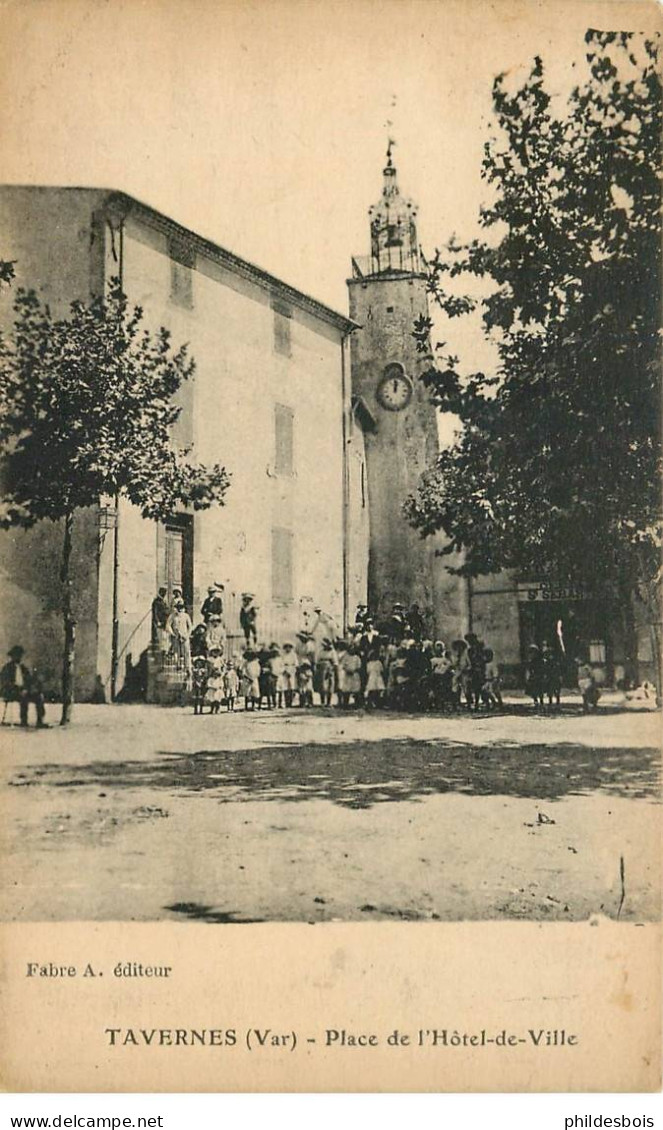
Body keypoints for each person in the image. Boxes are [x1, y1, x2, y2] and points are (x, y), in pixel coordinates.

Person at [1, 646, 47, 728]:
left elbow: (29, 681)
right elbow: (5, 682)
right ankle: (24, 721)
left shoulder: (23, 668)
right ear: (12, 656)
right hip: (11, 692)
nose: (18, 657)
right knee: (24, 697)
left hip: (24, 691)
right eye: (16, 655)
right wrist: (17, 689)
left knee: (38, 696)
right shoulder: (7, 668)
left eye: (20, 655)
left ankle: (40, 721)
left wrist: (30, 688)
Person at [166, 599, 193, 675]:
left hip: (184, 636)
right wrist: (172, 633)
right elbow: (168, 625)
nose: (180, 609)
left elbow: (190, 627)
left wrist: (187, 635)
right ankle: (178, 666)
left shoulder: (186, 616)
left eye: (181, 607)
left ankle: (188, 667)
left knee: (186, 652)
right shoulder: (172, 616)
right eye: (178, 607)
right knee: (176, 651)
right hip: (176, 636)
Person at [315, 638, 337, 707]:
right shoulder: (321, 651)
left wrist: (331, 669)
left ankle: (328, 702)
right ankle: (322, 702)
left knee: (330, 685)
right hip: (321, 669)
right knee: (322, 685)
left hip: (329, 669)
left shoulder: (332, 652)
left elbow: (335, 663)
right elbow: (318, 661)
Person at [205, 647, 225, 714]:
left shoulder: (220, 659)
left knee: (218, 698)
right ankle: (212, 709)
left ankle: (218, 709)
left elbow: (223, 667)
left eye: (217, 652)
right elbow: (207, 669)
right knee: (212, 698)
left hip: (218, 676)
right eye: (214, 652)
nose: (215, 653)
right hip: (211, 675)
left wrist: (222, 673)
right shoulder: (209, 660)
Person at [542, 642, 563, 707]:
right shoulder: (547, 659)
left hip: (554, 675)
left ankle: (557, 701)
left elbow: (558, 668)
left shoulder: (555, 660)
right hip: (550, 675)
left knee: (556, 689)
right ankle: (551, 701)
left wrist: (559, 675)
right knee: (550, 690)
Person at [279, 642, 298, 708]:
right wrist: (284, 670)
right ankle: (287, 702)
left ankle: (290, 702)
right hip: (285, 669)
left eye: (289, 647)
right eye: (286, 647)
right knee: (285, 686)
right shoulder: (283, 655)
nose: (288, 648)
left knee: (292, 686)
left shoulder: (294, 655)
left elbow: (296, 664)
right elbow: (281, 663)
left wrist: (292, 671)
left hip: (292, 669)